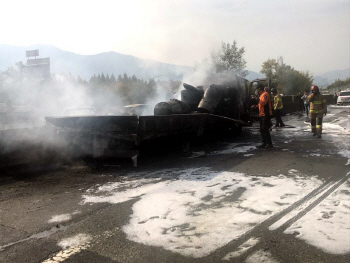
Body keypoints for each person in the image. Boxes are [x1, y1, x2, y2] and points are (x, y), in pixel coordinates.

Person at [251, 84, 273, 148]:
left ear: (259, 89)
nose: (256, 91)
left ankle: (267, 143)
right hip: (262, 114)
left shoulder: (265, 94)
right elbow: (260, 104)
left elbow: (263, 103)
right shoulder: (261, 95)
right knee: (262, 129)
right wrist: (255, 106)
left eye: (257, 90)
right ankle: (266, 143)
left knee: (264, 129)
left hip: (266, 114)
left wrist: (256, 99)